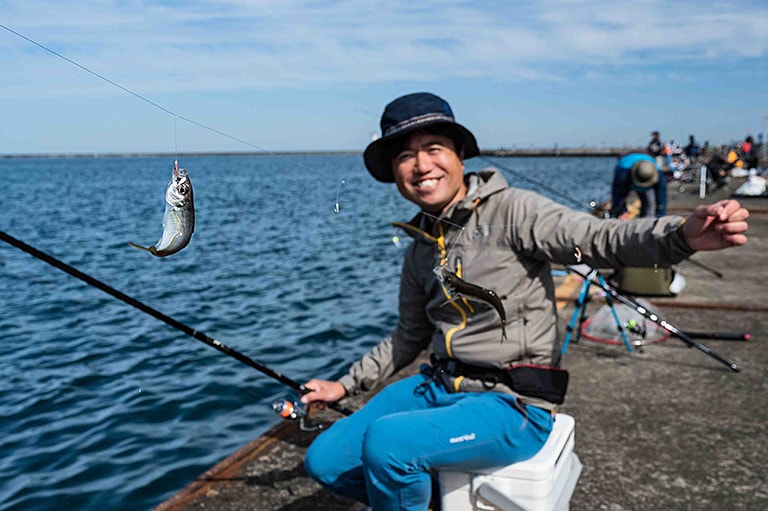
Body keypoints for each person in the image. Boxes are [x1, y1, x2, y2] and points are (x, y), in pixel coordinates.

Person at [301, 92, 750, 511]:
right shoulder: (420, 245)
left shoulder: (514, 210)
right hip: (439, 385)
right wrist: (344, 385)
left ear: (459, 155)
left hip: (512, 401)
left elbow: (599, 239)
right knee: (325, 460)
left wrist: (680, 235)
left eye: (434, 147)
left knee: (389, 443)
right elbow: (409, 335)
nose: (420, 165)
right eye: (404, 155)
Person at [609, 153, 667, 219]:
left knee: (649, 204)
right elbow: (618, 195)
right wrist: (622, 211)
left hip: (645, 173)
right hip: (626, 173)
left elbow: (661, 198)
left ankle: (645, 220)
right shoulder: (623, 173)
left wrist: (660, 216)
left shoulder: (658, 174)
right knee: (619, 209)